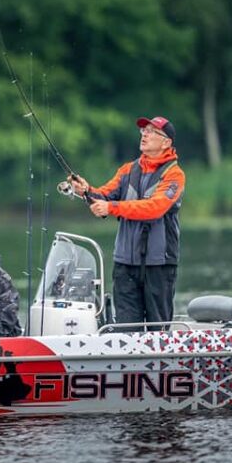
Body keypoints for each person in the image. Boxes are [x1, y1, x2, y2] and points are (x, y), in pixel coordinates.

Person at [69, 116, 185, 327]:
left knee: (157, 329)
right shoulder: (127, 170)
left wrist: (111, 208)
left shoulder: (174, 175)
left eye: (151, 132)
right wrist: (86, 191)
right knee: (125, 329)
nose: (144, 135)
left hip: (159, 265)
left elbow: (154, 208)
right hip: (125, 264)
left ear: (166, 142)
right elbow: (104, 195)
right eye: (143, 131)